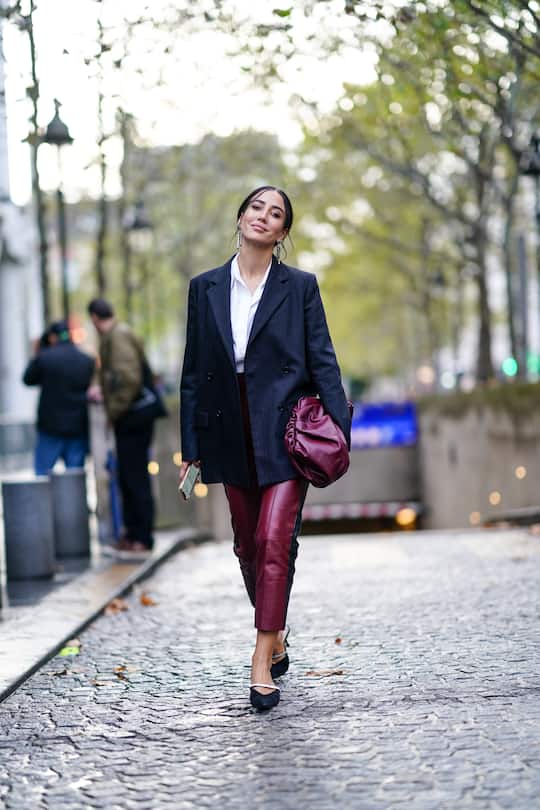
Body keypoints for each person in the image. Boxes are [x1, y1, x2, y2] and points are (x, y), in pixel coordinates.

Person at [179, 186, 351, 710]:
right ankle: (275, 633)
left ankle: (259, 662)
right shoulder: (204, 287)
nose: (264, 217)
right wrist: (191, 444)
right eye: (257, 207)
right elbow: (193, 372)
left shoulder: (299, 287)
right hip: (228, 428)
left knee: (275, 540)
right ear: (240, 218)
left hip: (286, 430)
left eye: (276, 214)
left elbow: (323, 360)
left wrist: (338, 430)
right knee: (248, 547)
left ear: (282, 234)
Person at [87, 298, 156, 556]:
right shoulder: (117, 335)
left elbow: (127, 378)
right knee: (130, 476)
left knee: (135, 477)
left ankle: (141, 537)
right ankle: (134, 535)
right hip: (131, 416)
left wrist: (113, 411)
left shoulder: (118, 337)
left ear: (94, 318)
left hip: (132, 418)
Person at [23, 320, 95, 476]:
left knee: (42, 476)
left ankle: (41, 502)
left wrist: (38, 352)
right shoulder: (86, 360)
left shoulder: (45, 358)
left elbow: (28, 379)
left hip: (50, 426)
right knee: (75, 477)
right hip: (77, 426)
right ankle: (74, 502)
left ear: (52, 338)